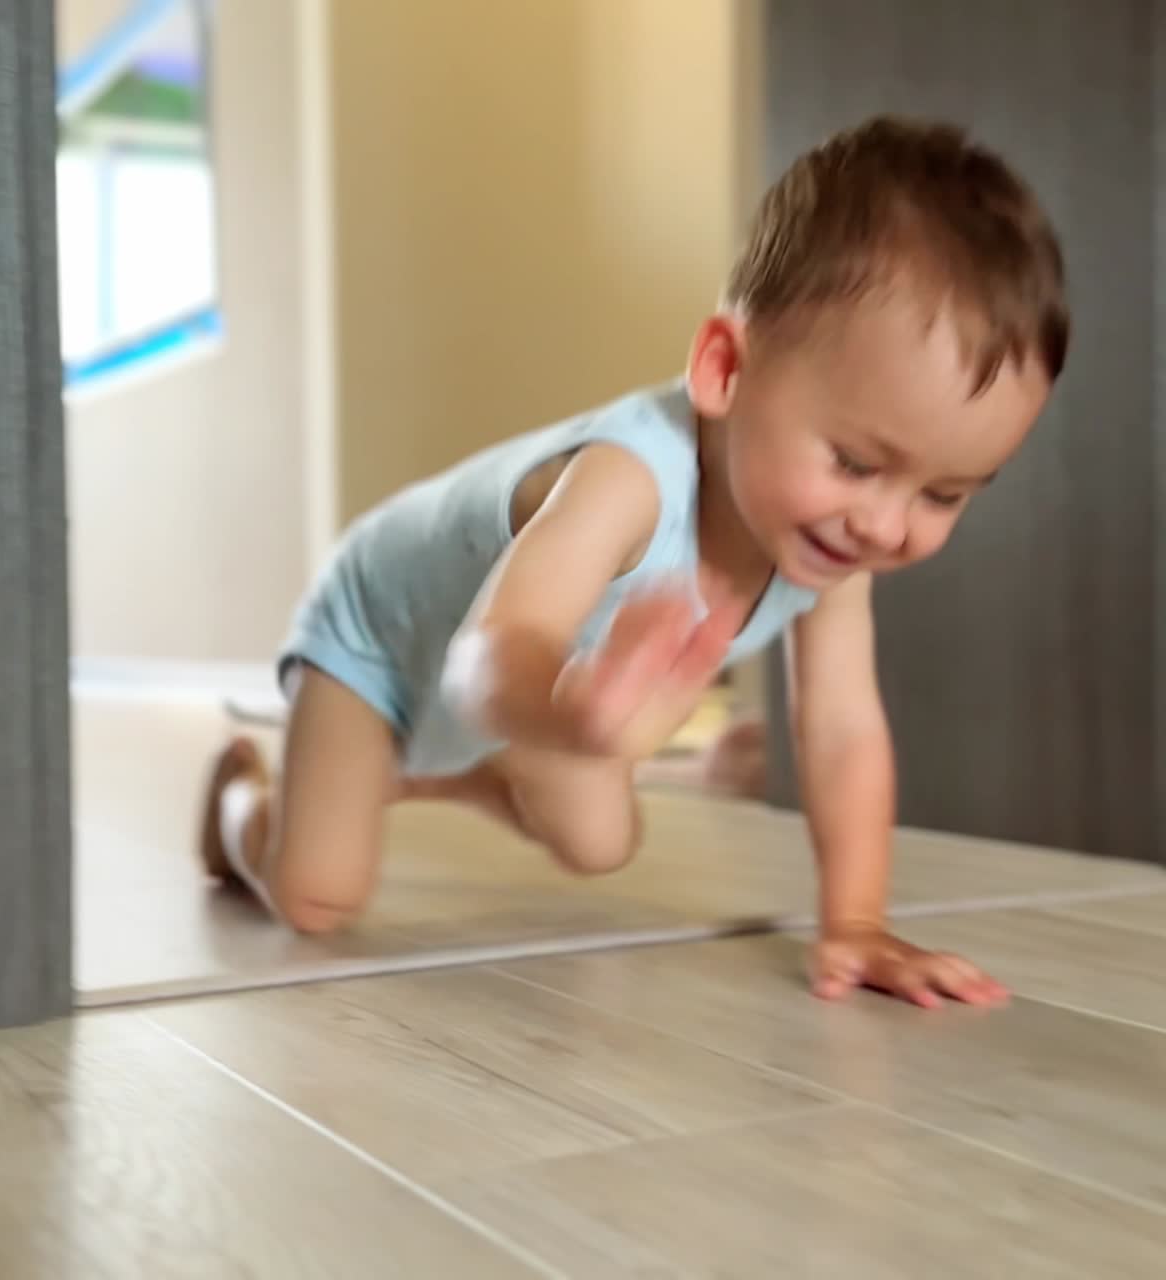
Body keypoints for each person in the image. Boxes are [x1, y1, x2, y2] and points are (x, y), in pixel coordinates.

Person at [200, 114, 1068, 1010]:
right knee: (315, 897)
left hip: (530, 700)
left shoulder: (835, 549)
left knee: (601, 844)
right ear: (725, 370)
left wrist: (855, 921)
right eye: (855, 463)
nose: (885, 526)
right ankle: (241, 807)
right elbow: (487, 653)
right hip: (381, 638)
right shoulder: (627, 479)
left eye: (944, 495)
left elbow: (843, 730)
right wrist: (561, 717)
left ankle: (433, 772)